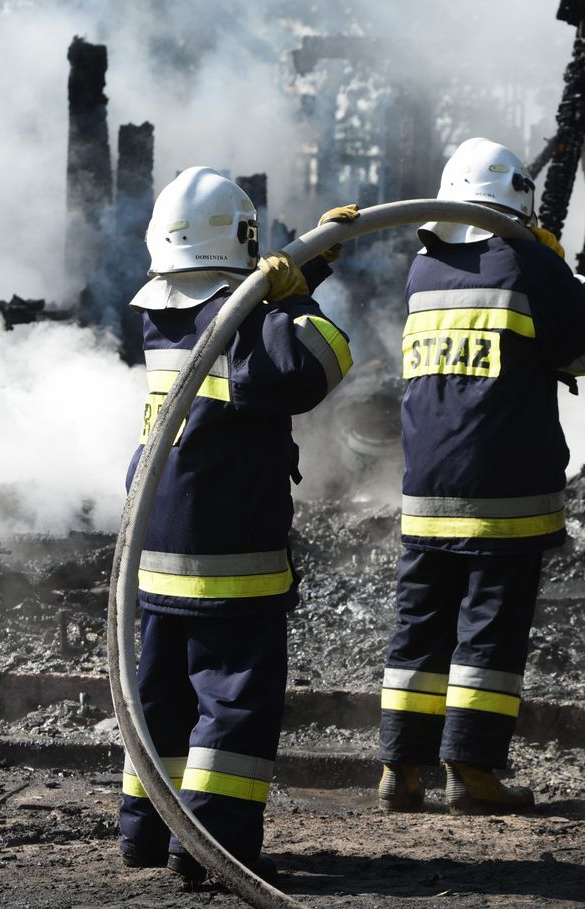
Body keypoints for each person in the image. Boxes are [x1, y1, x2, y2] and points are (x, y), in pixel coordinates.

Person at [377, 137, 585, 815]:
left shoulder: (424, 268)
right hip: (504, 491)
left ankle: (401, 767)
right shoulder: (528, 260)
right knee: (489, 626)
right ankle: (473, 768)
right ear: (519, 195)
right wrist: (578, 296)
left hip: (426, 486)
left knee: (420, 625)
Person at [117, 166, 355, 882]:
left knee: (159, 697)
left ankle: (144, 831)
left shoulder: (166, 316)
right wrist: (297, 297)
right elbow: (318, 362)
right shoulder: (239, 321)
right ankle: (211, 848)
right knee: (232, 702)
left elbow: (248, 338)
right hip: (227, 558)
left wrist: (293, 279)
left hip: (157, 545)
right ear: (240, 242)